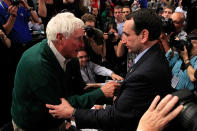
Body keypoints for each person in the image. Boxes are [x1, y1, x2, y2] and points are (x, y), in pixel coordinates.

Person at [46, 9, 178, 131]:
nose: (123, 40)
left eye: (126, 34)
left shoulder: (147, 70)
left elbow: (116, 117)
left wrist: (72, 113)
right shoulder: (153, 57)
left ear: (144, 35)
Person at [11, 12, 120, 131]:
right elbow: (58, 107)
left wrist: (111, 95)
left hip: (54, 122)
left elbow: (80, 89)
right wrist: (101, 93)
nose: (83, 44)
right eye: (79, 39)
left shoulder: (69, 56)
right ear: (60, 38)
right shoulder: (38, 64)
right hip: (33, 126)